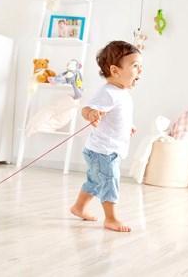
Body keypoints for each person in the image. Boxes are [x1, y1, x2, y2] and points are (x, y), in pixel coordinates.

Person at [70, 41, 142, 232]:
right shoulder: (108, 92)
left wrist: (128, 126)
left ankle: (78, 207)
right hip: (104, 151)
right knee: (110, 182)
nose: (140, 70)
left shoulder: (122, 92)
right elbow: (86, 109)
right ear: (115, 70)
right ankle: (111, 218)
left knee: (94, 181)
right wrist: (91, 114)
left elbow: (119, 115)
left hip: (101, 150)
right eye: (135, 65)